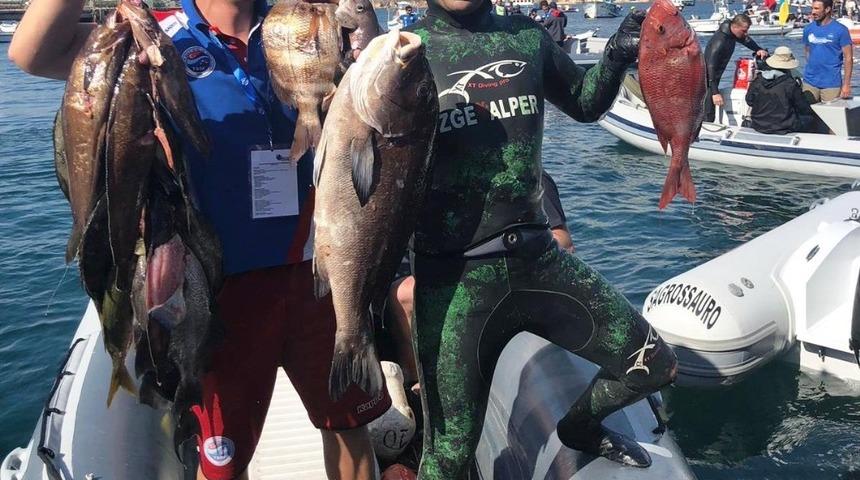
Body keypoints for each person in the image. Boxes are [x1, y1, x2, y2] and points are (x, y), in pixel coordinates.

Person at [8, 0, 392, 478]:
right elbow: (31, 54)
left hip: (320, 267)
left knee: (347, 425)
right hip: (215, 286)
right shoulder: (157, 34)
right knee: (223, 462)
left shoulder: (300, 24)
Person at [403, 3, 678, 477]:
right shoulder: (404, 54)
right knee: (448, 456)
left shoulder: (528, 38)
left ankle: (579, 429)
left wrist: (617, 52)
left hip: (538, 260)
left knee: (654, 364)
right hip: (453, 283)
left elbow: (586, 103)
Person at [385, 171, 575, 395]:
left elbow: (563, 241)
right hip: (449, 273)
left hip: (499, 278)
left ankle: (420, 388)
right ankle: (414, 384)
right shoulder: (445, 177)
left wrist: (509, 256)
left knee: (403, 295)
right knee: (401, 294)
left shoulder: (531, 175)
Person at [703, 14, 769, 122]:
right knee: (708, 110)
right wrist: (715, 92)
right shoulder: (720, 41)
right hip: (707, 79)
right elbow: (709, 67)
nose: (746, 34)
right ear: (735, 27)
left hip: (715, 78)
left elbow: (746, 40)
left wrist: (758, 49)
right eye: (744, 31)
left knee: (711, 107)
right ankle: (705, 130)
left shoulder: (732, 33)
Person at [745, 46, 816, 134]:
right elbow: (803, 107)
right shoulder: (790, 84)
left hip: (758, 125)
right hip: (784, 126)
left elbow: (749, 101)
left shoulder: (758, 80)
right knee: (810, 118)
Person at [802, 0, 854, 102]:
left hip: (831, 84)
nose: (813, 12)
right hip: (809, 82)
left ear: (827, 9)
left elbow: (848, 58)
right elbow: (807, 52)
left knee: (829, 117)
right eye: (812, 8)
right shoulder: (808, 29)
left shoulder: (841, 30)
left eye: (816, 8)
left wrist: (846, 84)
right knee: (808, 116)